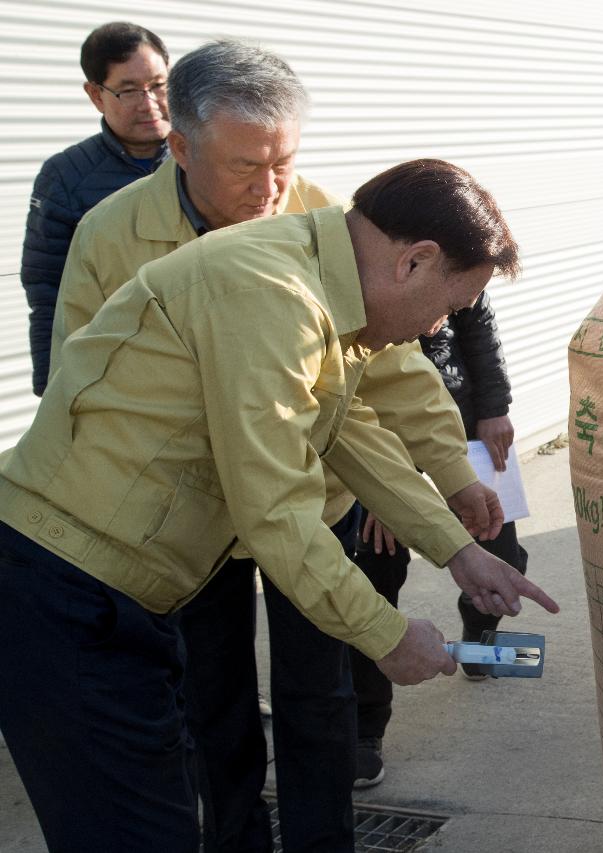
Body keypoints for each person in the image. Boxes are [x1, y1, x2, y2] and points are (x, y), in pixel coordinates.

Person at [0, 157, 559, 853]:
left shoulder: (318, 282)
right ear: (414, 262)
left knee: (158, 818)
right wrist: (384, 633)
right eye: (448, 306)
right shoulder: (272, 294)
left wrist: (456, 547)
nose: (434, 329)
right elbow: (276, 508)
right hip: (68, 592)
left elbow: (345, 429)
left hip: (119, 591)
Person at [351, 289, 529, 788]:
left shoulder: (458, 243)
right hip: (376, 443)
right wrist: (386, 489)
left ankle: (479, 639)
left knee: (501, 556)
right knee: (375, 574)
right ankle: (365, 728)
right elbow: (363, 385)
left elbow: (478, 325)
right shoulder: (366, 272)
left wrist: (494, 406)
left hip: (462, 425)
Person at [20, 21, 169, 397]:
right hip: (116, 369)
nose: (149, 103)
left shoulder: (204, 159)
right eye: (129, 91)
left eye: (158, 84)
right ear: (95, 94)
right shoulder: (66, 176)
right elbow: (46, 286)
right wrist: (52, 389)